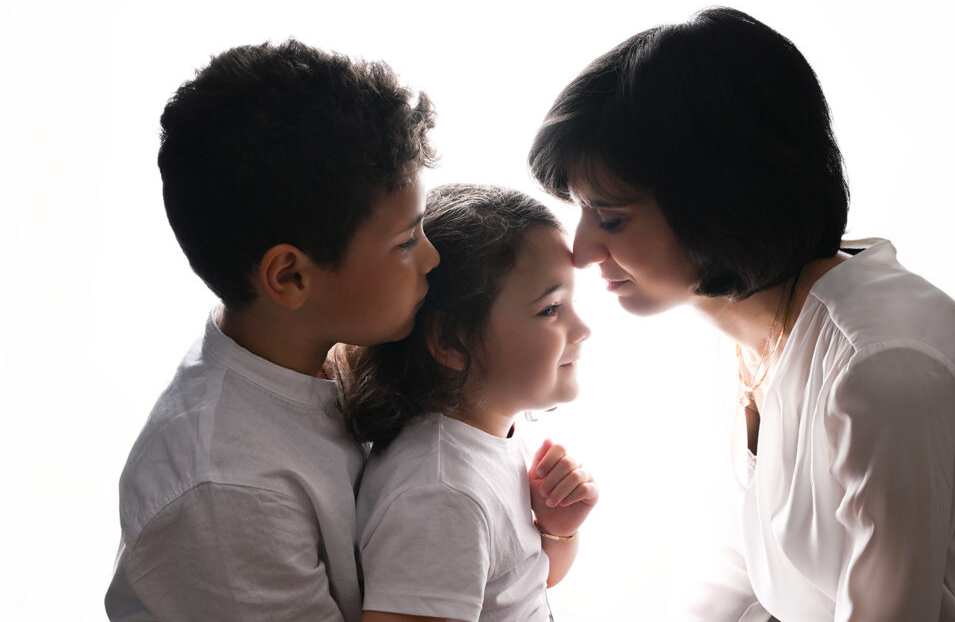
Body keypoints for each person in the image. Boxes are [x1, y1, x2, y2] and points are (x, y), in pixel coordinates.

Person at [529, 6, 955, 622]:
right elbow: (749, 563)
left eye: (611, 218)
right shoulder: (751, 329)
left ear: (719, 199)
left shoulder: (882, 369)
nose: (579, 251)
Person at [104, 40, 440, 621]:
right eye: (406, 241)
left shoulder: (316, 353)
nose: (432, 258)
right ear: (289, 276)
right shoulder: (227, 489)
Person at [336, 184, 597, 622]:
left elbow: (519, 587)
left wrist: (556, 531)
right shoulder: (440, 495)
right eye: (550, 309)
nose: (582, 327)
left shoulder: (490, 433)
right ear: (452, 342)